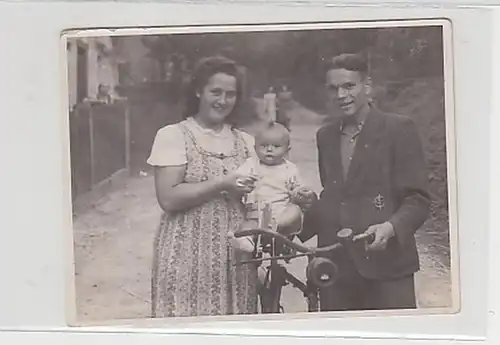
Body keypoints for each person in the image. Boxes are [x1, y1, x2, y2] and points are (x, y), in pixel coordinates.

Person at [298, 53, 431, 311]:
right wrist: (297, 218)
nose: (340, 95)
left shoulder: (399, 129)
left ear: (367, 86)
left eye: (349, 86)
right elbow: (335, 197)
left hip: (386, 266)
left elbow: (418, 199)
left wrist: (390, 227)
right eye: (333, 88)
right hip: (335, 267)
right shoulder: (325, 136)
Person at [147, 56, 260, 317]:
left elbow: (257, 199)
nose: (222, 101)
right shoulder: (173, 135)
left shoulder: (245, 141)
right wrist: (222, 183)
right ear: (198, 91)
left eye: (230, 94)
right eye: (215, 92)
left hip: (235, 257)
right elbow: (169, 198)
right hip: (185, 255)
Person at [229, 122, 317, 253]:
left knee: (294, 211)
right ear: (255, 148)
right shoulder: (251, 165)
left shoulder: (289, 169)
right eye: (263, 146)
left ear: (287, 150)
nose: (269, 150)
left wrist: (300, 192)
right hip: (257, 212)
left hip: (281, 212)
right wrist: (243, 181)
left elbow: (298, 186)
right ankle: (246, 240)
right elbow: (237, 177)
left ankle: (281, 237)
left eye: (276, 146)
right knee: (248, 224)